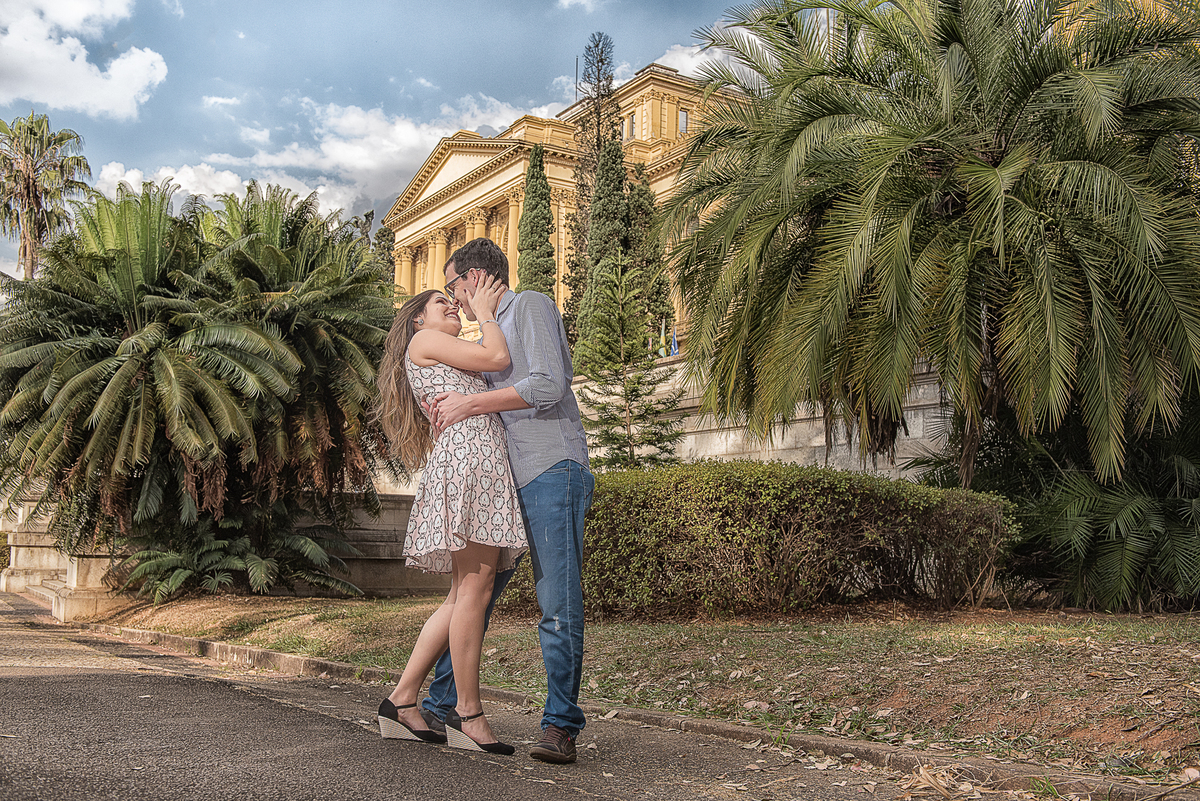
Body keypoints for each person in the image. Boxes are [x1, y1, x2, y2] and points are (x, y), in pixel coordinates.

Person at [422, 237, 593, 764]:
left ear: (474, 278)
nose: (454, 298)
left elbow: (547, 385)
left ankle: (560, 725)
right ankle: (441, 704)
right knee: (478, 596)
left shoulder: (532, 305)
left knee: (556, 601)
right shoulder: (489, 326)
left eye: (454, 286)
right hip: (504, 482)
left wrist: (470, 402)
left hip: (550, 469)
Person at [374, 276, 526, 755]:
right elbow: (499, 359)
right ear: (418, 318)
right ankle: (468, 713)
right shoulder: (425, 340)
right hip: (472, 461)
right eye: (441, 303)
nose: (451, 306)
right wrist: (485, 310)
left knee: (461, 596)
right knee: (473, 594)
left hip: (469, 459)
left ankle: (401, 699)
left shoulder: (439, 348)